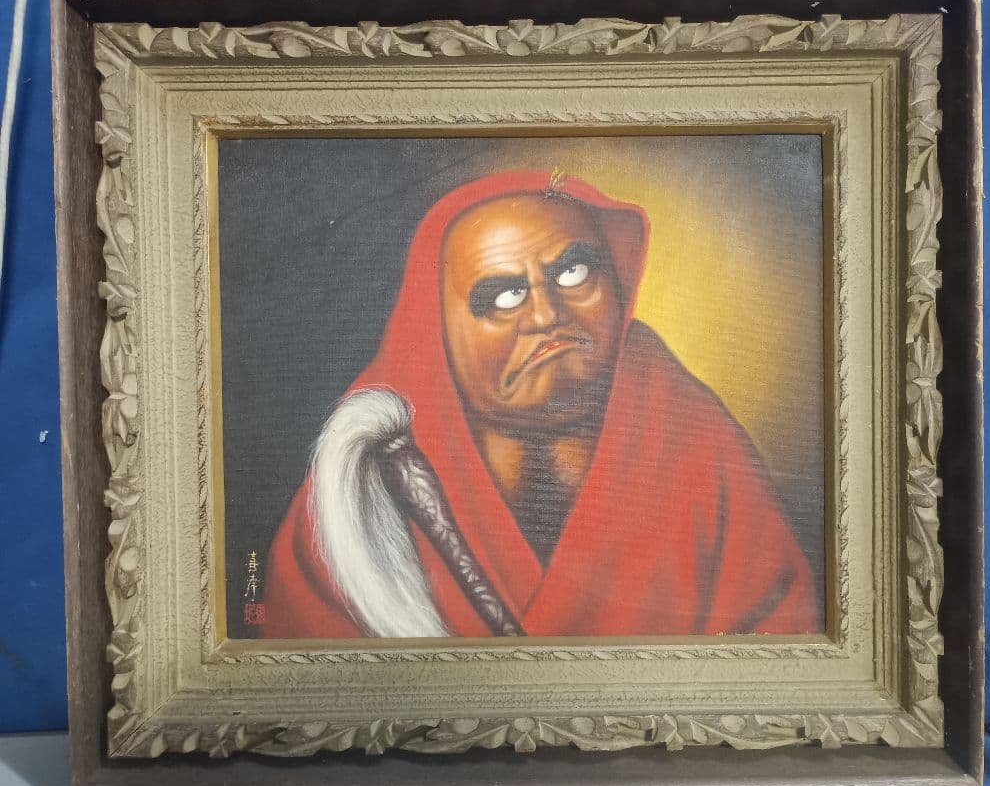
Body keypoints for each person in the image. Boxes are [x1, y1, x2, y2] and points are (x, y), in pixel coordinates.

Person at [261, 170, 821, 639]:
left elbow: (774, 633)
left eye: (573, 272)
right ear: (436, 330)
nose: (547, 313)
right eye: (505, 295)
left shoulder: (686, 422)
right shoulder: (356, 478)